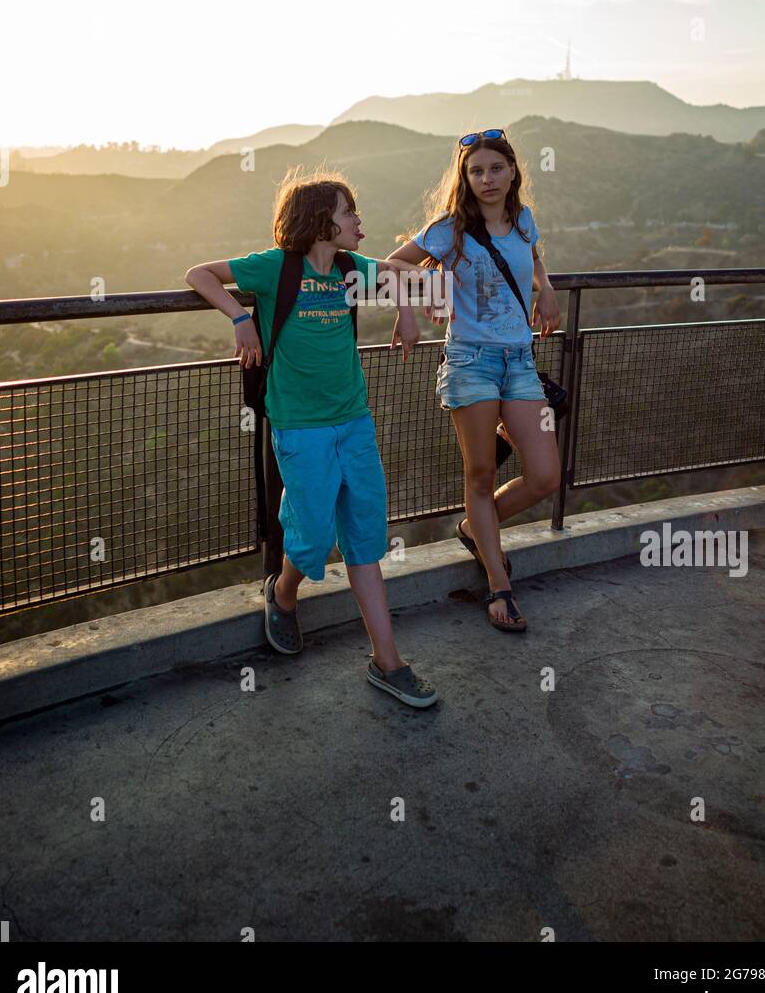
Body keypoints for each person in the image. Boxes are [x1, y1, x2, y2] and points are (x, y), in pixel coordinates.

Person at [184, 166, 437, 708]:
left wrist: (406, 313)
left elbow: (402, 274)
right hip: (299, 426)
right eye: (350, 212)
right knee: (315, 538)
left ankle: (388, 663)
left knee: (366, 536)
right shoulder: (275, 267)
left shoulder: (350, 269)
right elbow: (199, 273)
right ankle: (282, 591)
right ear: (321, 220)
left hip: (354, 420)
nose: (358, 221)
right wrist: (238, 318)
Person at [387, 129, 561, 632]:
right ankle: (498, 584)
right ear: (465, 179)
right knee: (481, 474)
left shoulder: (523, 219)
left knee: (545, 475)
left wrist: (545, 288)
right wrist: (421, 300)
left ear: (512, 173)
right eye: (475, 171)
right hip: (470, 361)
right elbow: (395, 264)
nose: (486, 178)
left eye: (495, 168)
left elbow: (533, 257)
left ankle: (473, 529)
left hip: (519, 361)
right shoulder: (450, 229)